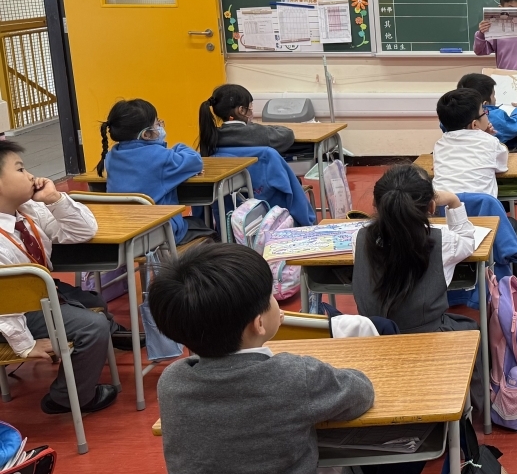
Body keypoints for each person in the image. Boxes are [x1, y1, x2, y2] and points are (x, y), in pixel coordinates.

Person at [150, 243, 389, 474]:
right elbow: (361, 393)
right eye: (271, 297)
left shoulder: (171, 381)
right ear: (259, 323)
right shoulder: (295, 375)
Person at [353, 164, 484, 418]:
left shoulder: (360, 239)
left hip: (373, 340)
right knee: (473, 331)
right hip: (430, 341)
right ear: (431, 207)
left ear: (377, 206)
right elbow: (469, 240)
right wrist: (454, 202)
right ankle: (474, 409)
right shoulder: (442, 241)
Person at [0, 141, 117, 416]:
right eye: (20, 169)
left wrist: (55, 199)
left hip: (38, 295)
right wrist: (25, 344)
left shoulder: (27, 210)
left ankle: (105, 338)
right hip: (11, 310)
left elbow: (83, 232)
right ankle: (66, 399)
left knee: (96, 303)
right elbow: (4, 303)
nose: (30, 175)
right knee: (93, 327)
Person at [98, 99, 205, 243]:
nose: (160, 125)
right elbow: (195, 161)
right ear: (146, 135)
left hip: (125, 232)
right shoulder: (161, 157)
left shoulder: (111, 156)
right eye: (157, 123)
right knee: (205, 228)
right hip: (159, 232)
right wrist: (178, 147)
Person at [432, 88, 508, 198]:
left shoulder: (439, 144)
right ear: (475, 124)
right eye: (484, 112)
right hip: (481, 206)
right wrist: (488, 136)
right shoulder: (490, 141)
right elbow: (502, 166)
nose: (486, 114)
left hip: (444, 205)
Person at [196, 84, 299, 157]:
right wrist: (259, 126)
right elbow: (287, 135)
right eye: (250, 106)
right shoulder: (258, 132)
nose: (251, 110)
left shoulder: (211, 137)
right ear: (241, 110)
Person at [458, 72, 517, 144]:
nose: (495, 99)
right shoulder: (496, 116)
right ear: (485, 104)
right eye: (493, 96)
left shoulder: (454, 115)